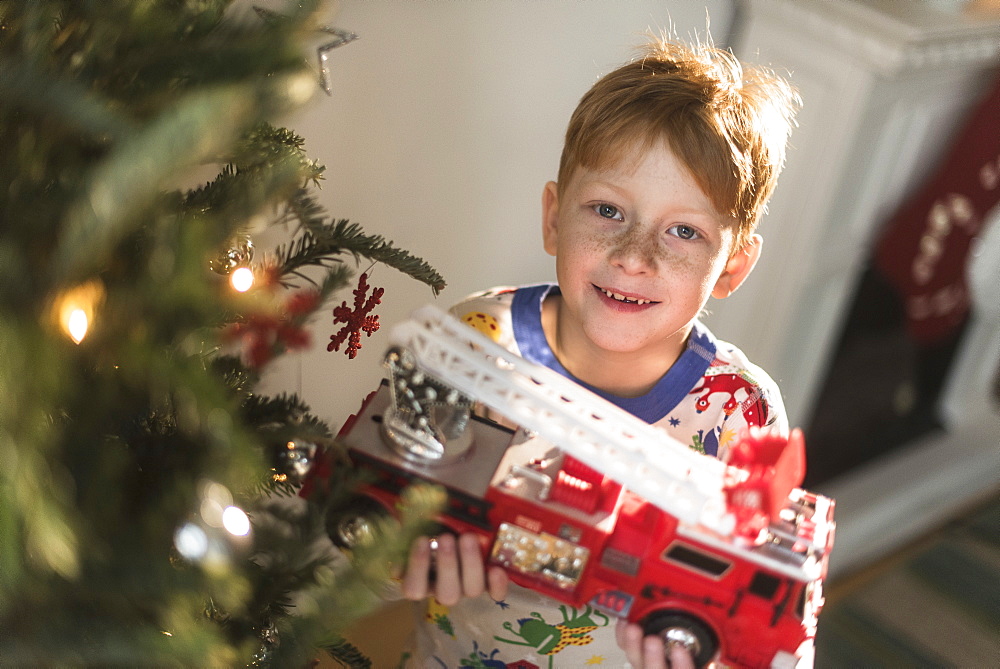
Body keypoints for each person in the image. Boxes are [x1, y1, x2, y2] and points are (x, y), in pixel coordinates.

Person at [397, 34, 800, 668]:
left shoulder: (740, 411)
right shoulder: (475, 339)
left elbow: (768, 616)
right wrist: (401, 558)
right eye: (608, 209)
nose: (634, 257)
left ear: (733, 266)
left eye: (684, 231)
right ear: (555, 217)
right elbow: (370, 512)